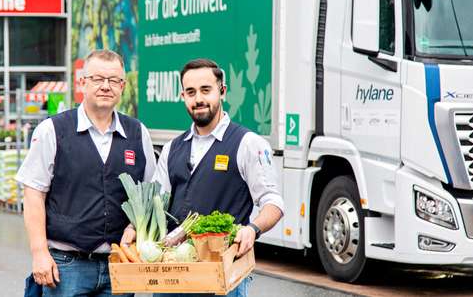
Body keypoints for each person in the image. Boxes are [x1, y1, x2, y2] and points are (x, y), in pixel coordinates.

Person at [16, 49, 156, 297]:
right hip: (67, 266)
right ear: (83, 82)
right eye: (98, 79)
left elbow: (149, 195)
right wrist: (39, 253)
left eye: (113, 80)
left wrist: (135, 228)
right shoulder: (53, 130)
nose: (106, 86)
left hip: (119, 264)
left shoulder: (137, 133)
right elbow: (33, 194)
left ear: (122, 86)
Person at [150, 59, 284, 297]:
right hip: (173, 274)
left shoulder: (247, 143)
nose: (198, 99)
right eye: (190, 92)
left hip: (223, 273)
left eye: (206, 90)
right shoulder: (173, 148)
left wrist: (252, 229)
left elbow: (273, 202)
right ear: (183, 96)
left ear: (222, 91)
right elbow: (156, 203)